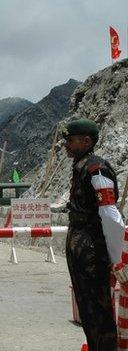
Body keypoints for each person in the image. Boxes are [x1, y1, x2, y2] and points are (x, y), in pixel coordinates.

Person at [63, 118, 125, 350]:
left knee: (98, 310)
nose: (66, 145)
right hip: (81, 243)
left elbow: (110, 215)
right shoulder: (81, 166)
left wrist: (117, 259)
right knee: (87, 309)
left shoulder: (96, 169)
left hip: (91, 246)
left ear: (87, 141)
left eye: (71, 140)